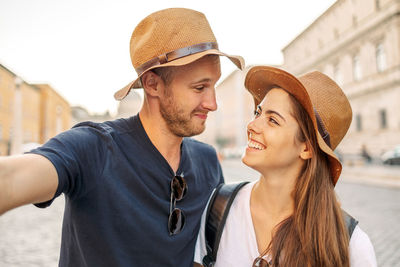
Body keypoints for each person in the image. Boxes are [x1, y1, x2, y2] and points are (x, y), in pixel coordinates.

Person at [0, 8, 244, 266]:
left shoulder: (208, 162)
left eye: (213, 85)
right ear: (152, 85)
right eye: (199, 87)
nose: (212, 103)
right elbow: (13, 178)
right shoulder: (94, 147)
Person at [194, 66, 377, 266]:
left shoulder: (352, 246)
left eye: (272, 120)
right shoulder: (218, 207)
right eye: (258, 113)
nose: (252, 125)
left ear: (307, 148)